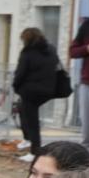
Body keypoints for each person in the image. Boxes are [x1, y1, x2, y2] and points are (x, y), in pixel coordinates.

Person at [11, 27, 59, 160]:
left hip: (30, 91)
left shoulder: (27, 53)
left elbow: (20, 73)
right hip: (48, 89)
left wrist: (16, 86)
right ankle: (27, 139)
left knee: (32, 120)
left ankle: (35, 151)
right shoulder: (51, 49)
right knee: (22, 109)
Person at [69, 16, 89, 156]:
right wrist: (87, 49)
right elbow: (73, 51)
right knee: (88, 127)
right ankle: (86, 162)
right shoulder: (88, 24)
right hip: (88, 82)